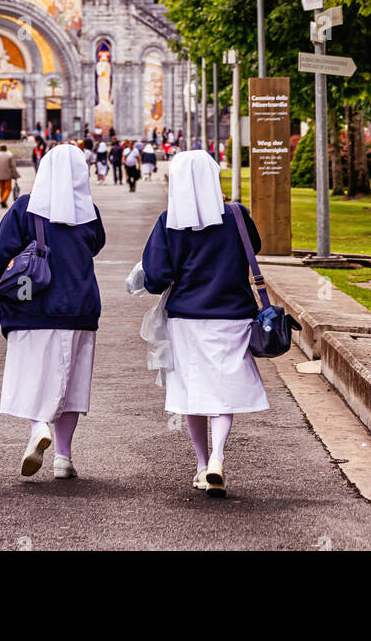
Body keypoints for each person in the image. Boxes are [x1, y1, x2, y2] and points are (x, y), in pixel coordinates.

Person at [140, 151, 269, 496]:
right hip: (233, 315)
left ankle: (200, 464)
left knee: (192, 391)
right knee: (223, 392)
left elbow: (155, 277)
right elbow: (253, 248)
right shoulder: (237, 216)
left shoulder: (170, 222)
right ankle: (217, 456)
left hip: (186, 319)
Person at [0, 144, 106, 481]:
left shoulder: (25, 208)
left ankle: (39, 425)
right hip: (79, 307)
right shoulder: (89, 212)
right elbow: (96, 245)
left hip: (33, 309)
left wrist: (14, 293)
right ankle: (64, 458)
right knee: (73, 383)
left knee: (34, 376)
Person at [0, 143, 20, 208]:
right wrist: (16, 175)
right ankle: (3, 200)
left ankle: (3, 202)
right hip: (7, 175)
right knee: (8, 189)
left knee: (2, 188)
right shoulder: (9, 155)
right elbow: (13, 166)